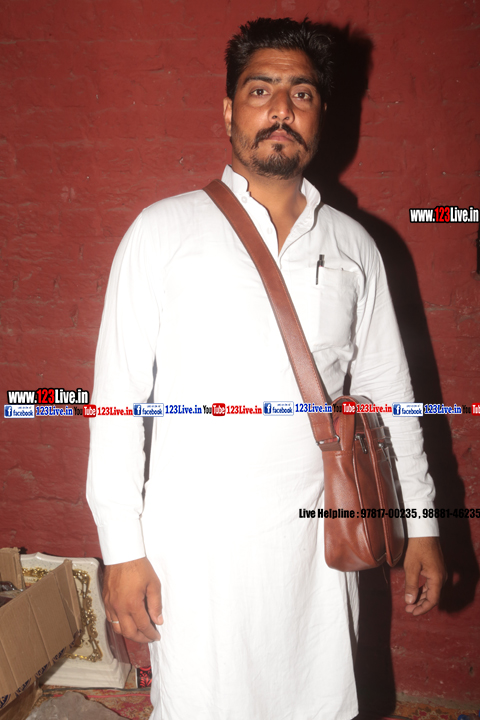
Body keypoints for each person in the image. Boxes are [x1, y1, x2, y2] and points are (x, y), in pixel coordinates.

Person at [87, 17, 446, 720]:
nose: (281, 109)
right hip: (196, 552)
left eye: (301, 94)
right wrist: (122, 549)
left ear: (320, 115)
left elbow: (391, 398)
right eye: (260, 90)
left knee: (319, 701)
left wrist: (424, 524)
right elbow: (116, 403)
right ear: (229, 110)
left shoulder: (355, 247)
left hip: (318, 549)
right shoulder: (164, 231)